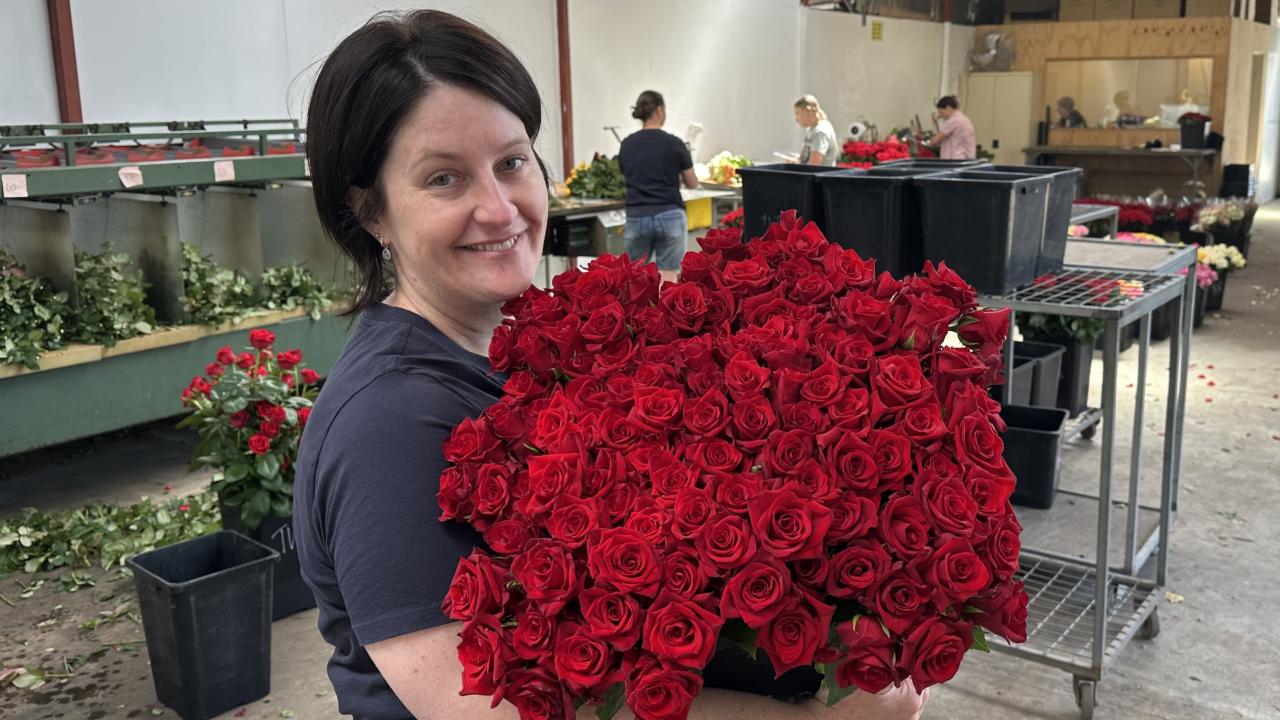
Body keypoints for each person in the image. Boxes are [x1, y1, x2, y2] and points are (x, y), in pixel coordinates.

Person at [296, 9, 927, 720]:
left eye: (511, 162)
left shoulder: (536, 353)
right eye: (444, 179)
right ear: (370, 211)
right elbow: (475, 708)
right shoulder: (387, 423)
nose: (500, 209)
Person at [618, 90, 698, 283]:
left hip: (637, 216)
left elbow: (625, 175)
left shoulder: (627, 144)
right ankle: (664, 314)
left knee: (635, 278)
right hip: (670, 214)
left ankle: (639, 314)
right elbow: (692, 182)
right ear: (660, 110)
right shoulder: (675, 143)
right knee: (669, 276)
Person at [794, 94, 838, 166]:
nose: (796, 119)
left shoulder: (821, 132)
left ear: (807, 111)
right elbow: (803, 159)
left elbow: (814, 164)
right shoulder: (810, 130)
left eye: (797, 113)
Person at [931, 96, 976, 160]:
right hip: (966, 158)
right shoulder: (964, 118)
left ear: (948, 108)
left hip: (955, 160)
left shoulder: (953, 121)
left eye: (941, 112)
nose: (941, 115)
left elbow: (935, 140)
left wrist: (929, 142)